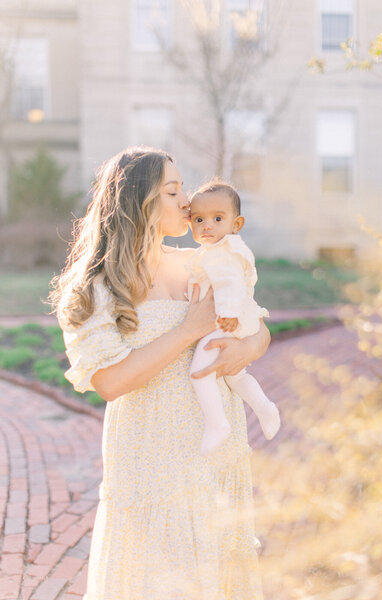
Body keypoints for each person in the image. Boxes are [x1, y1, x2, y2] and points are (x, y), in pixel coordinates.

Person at [49, 146, 270, 600]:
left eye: (183, 188)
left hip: (216, 452)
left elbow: (257, 325)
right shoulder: (98, 283)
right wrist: (190, 329)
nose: (187, 201)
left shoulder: (201, 261)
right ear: (138, 202)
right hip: (152, 460)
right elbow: (109, 382)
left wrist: (246, 346)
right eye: (173, 191)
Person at [186, 180, 280, 455]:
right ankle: (265, 408)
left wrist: (227, 314)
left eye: (217, 218)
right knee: (235, 376)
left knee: (199, 373)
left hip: (227, 321)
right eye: (198, 219)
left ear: (236, 224)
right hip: (237, 319)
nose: (207, 225)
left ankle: (217, 424)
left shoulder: (220, 254)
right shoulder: (222, 249)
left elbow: (230, 284)